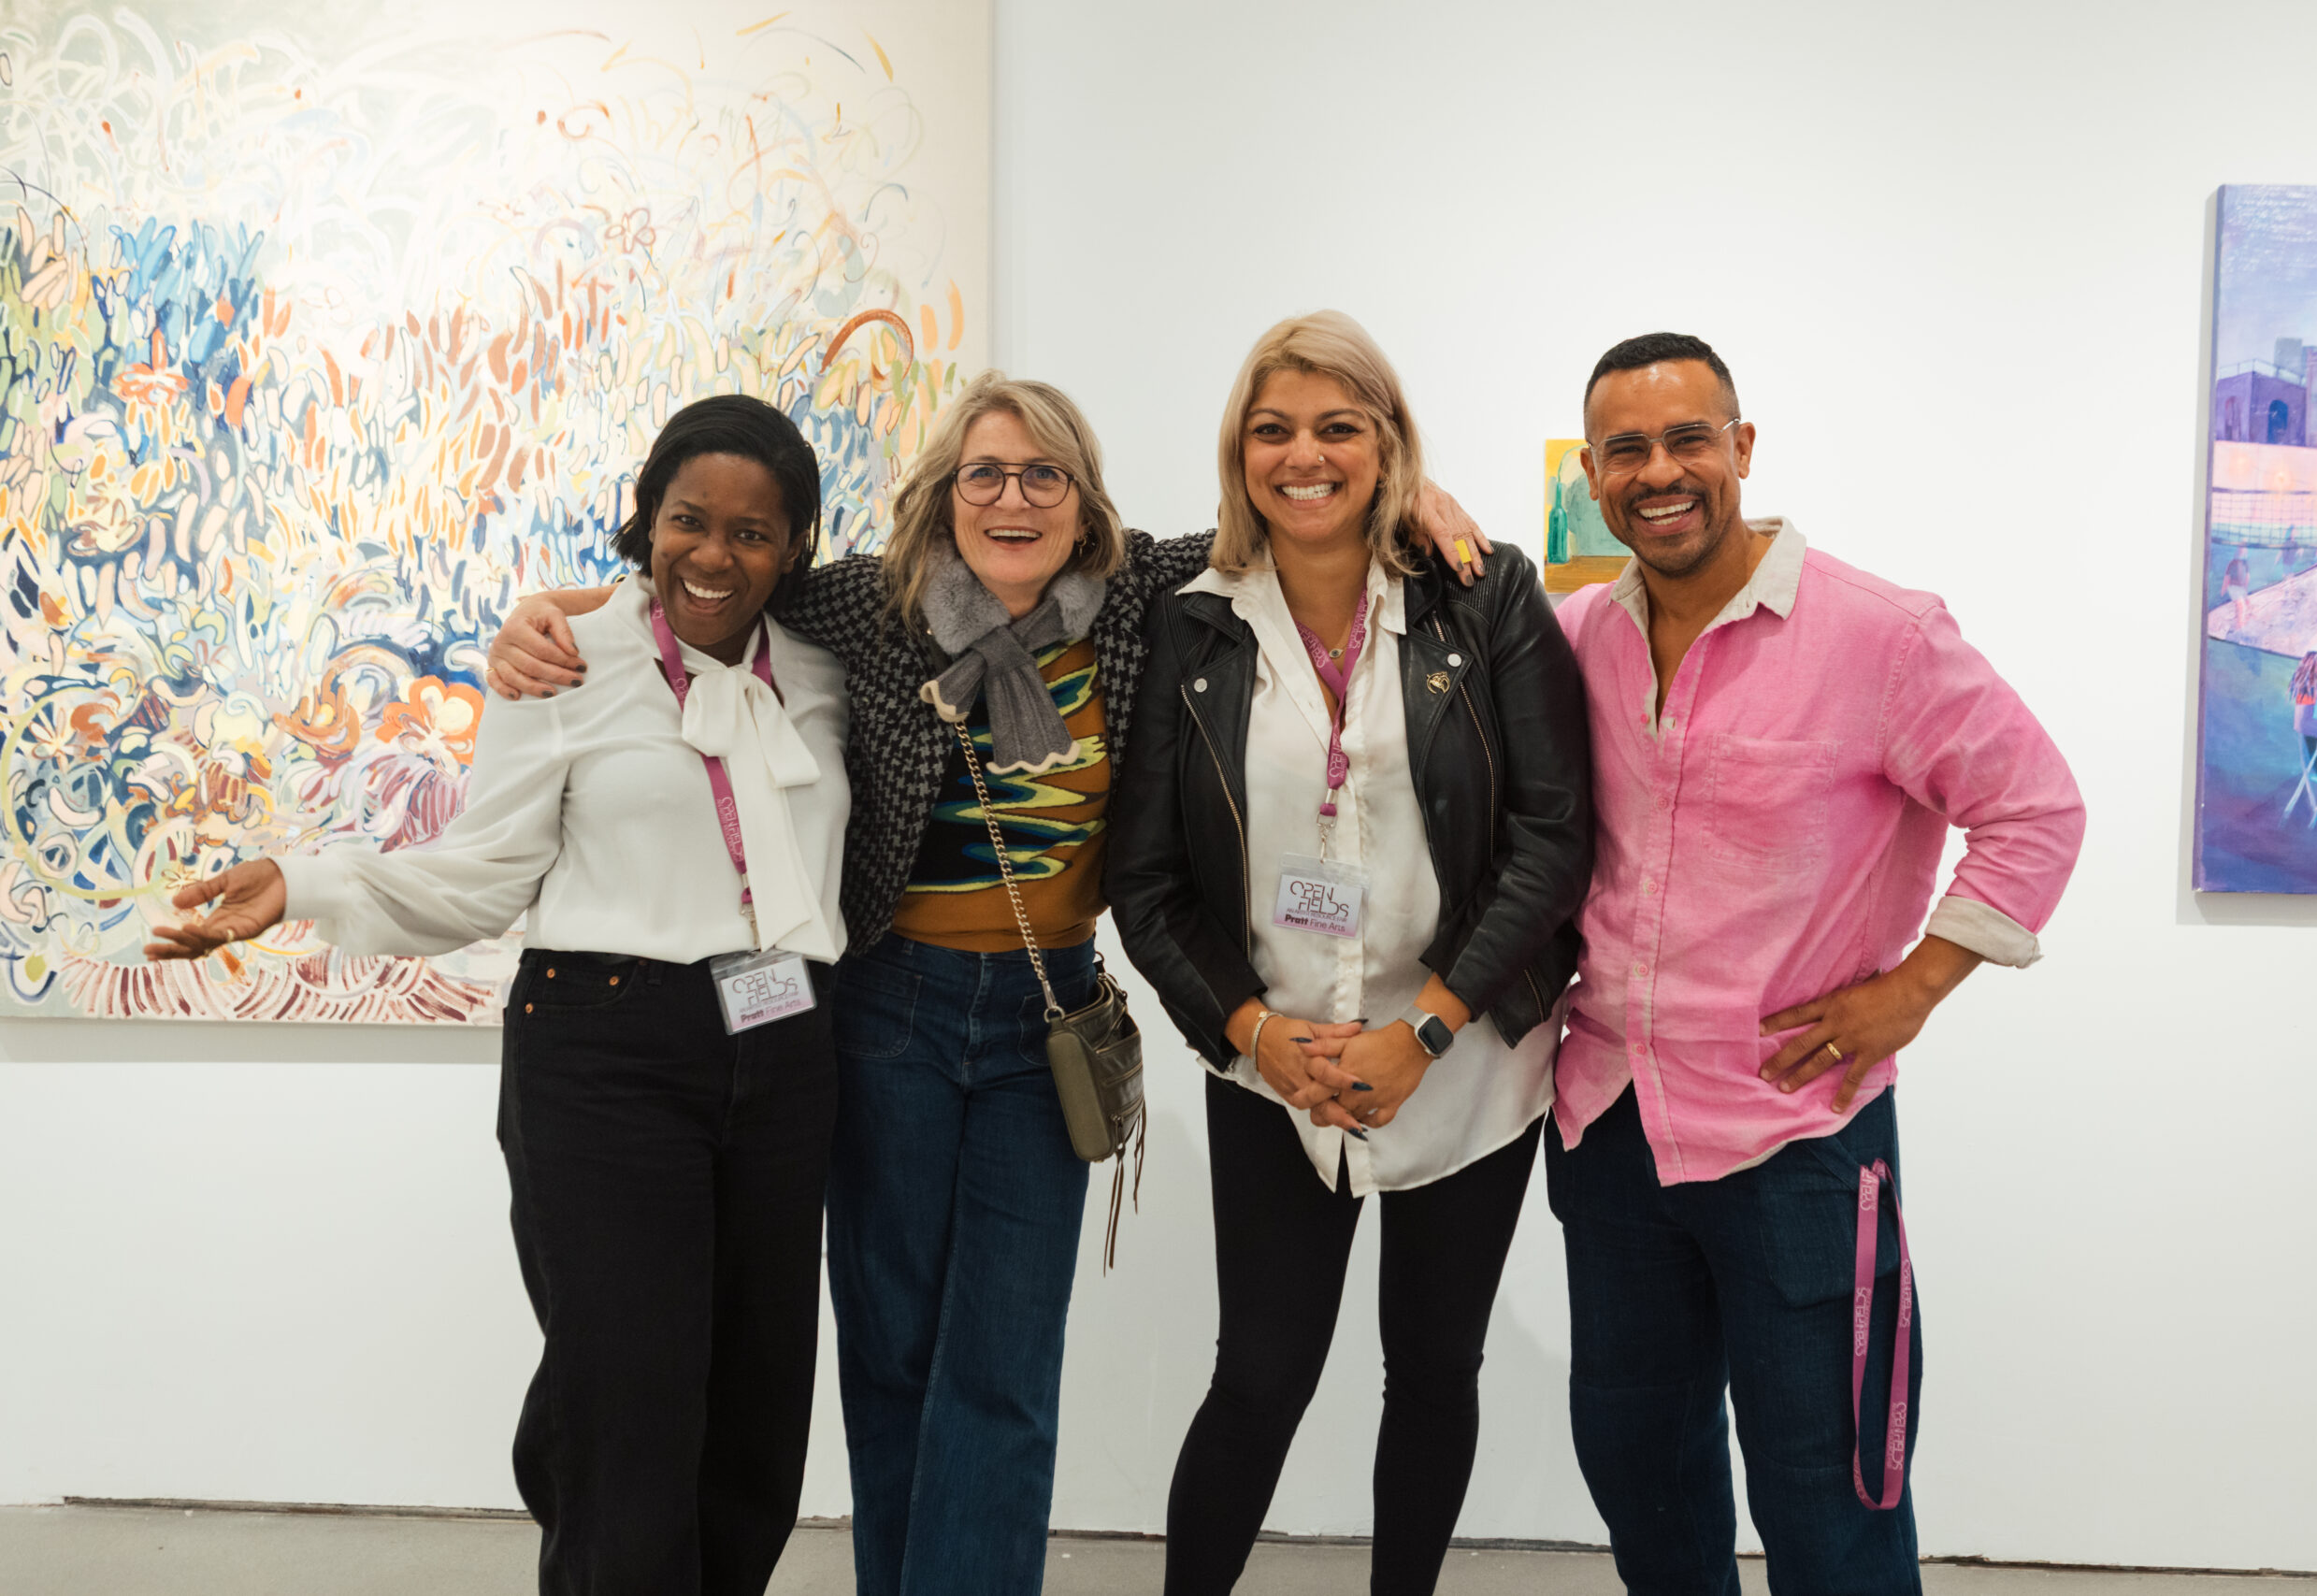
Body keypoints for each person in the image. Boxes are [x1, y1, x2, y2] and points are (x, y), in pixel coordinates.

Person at [484, 373, 1488, 1596]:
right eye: (985, 474)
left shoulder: (1130, 599)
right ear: (943, 495)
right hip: (885, 1012)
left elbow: (1279, 522)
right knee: (893, 1356)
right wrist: (557, 611)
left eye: (1042, 475)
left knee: (1004, 1376)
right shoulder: (871, 603)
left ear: (1081, 498)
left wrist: (1413, 495)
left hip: (1044, 1019)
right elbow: (707, 580)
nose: (1014, 498)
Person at [148, 395, 852, 1596]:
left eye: (753, 531)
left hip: (784, 1046)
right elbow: (481, 880)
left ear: (794, 548)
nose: (715, 554)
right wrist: (304, 881)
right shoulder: (568, 661)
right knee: (626, 1400)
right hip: (607, 1045)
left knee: (755, 1411)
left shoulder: (833, 669)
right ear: (645, 522)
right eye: (688, 520)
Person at [1545, 334, 2085, 1596]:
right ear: (1595, 472)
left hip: (1797, 1131)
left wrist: (1915, 985)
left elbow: (2037, 807)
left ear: (1743, 448)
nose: (1659, 472)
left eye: (1689, 439)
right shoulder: (1577, 634)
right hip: (1610, 1121)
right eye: (1626, 448)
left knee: (1830, 1483)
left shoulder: (1880, 633)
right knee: (1641, 1464)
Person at [1108, 310, 1592, 1596]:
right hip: (1275, 1057)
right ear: (1238, 450)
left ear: (1387, 443)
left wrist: (1420, 1028)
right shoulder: (1186, 620)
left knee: (1435, 1366)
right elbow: (1144, 880)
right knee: (1258, 1371)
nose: (1303, 455)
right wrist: (1260, 1033)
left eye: (1339, 426)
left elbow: (1552, 840)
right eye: (1274, 428)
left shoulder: (1484, 595)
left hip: (1465, 1055)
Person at [2223, 546, 2252, 630]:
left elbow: (2247, 577)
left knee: (2248, 605)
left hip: (2240, 588)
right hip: (2233, 587)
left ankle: (2241, 623)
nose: (2243, 551)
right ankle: (2239, 627)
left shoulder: (2245, 563)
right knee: (2241, 606)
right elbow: (2227, 577)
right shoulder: (2232, 563)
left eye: (2245, 550)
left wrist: (2245, 591)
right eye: (2242, 549)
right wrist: (2223, 590)